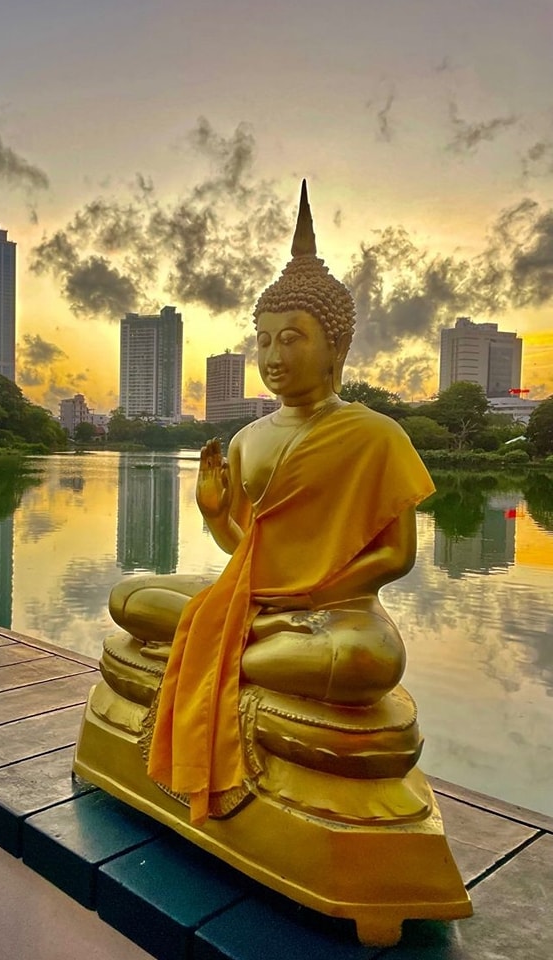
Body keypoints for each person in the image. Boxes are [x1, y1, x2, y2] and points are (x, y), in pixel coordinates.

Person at [108, 182, 435, 824]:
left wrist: (311, 596)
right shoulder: (248, 439)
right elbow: (245, 548)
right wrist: (211, 512)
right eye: (264, 340)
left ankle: (235, 645)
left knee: (367, 663)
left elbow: (397, 554)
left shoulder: (375, 435)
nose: (274, 356)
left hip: (337, 615)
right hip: (255, 600)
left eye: (293, 338)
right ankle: (247, 639)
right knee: (128, 598)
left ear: (335, 347)